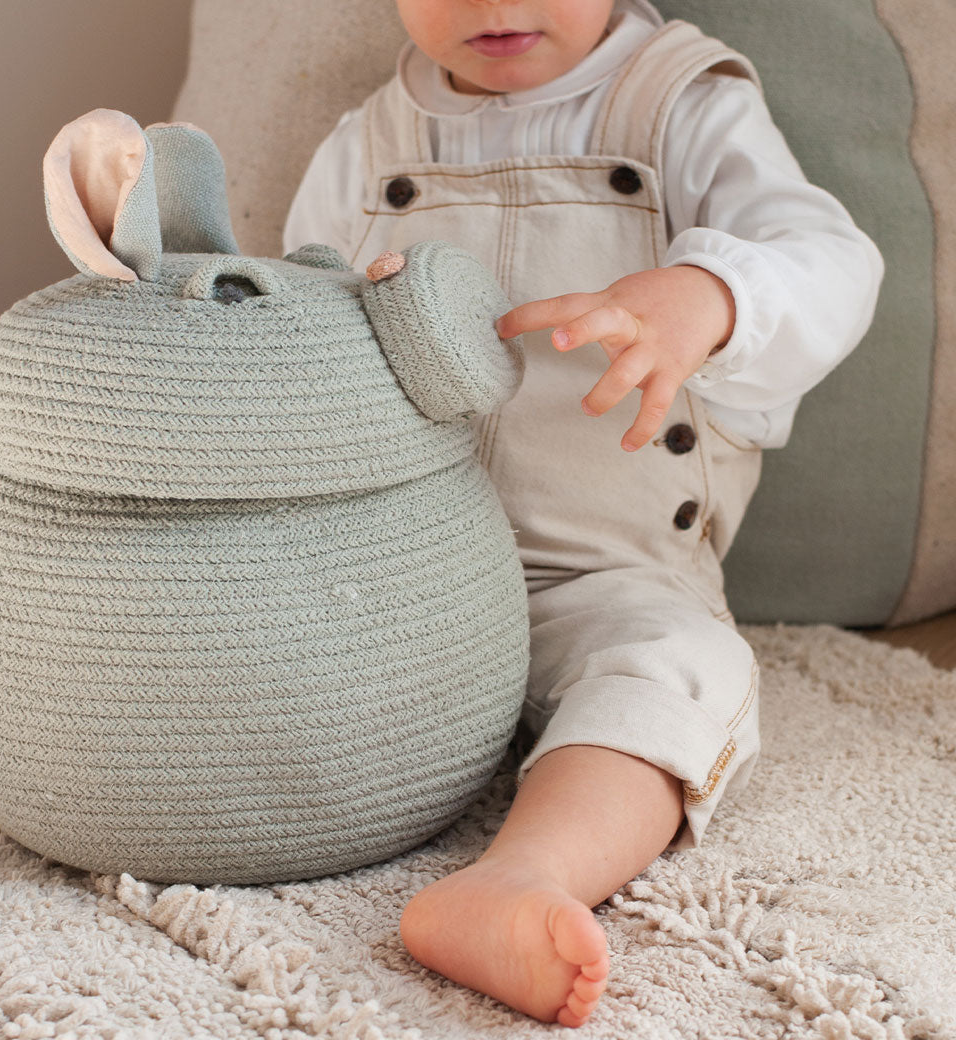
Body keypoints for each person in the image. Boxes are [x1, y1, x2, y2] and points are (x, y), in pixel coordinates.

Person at [283, 0, 883, 1027]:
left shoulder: (679, 105)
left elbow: (829, 260)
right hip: (397, 563)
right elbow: (301, 346)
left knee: (681, 670)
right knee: (221, 634)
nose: (494, 2)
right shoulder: (362, 147)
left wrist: (709, 294)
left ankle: (521, 873)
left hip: (608, 574)